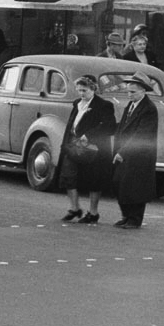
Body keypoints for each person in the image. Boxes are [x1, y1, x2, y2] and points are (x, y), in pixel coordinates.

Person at [57, 74, 117, 225]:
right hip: (74, 145)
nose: (81, 94)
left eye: (84, 90)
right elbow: (71, 125)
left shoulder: (104, 105)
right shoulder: (77, 103)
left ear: (93, 89)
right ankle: (75, 208)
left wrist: (88, 135)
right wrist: (65, 144)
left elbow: (110, 127)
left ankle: (93, 213)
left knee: (94, 179)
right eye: (79, 90)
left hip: (94, 148)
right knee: (67, 176)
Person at [106, 76, 161, 230]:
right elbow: (123, 127)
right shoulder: (130, 105)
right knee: (120, 183)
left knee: (135, 186)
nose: (129, 94)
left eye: (133, 92)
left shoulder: (149, 109)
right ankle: (126, 216)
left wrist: (123, 152)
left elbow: (141, 134)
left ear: (143, 91)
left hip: (139, 155)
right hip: (125, 152)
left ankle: (135, 219)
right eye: (128, 91)